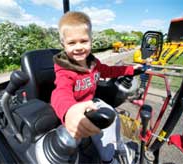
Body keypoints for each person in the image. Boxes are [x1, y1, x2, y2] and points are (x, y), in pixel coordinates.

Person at [51, 11, 142, 163]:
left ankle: (118, 146)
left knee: (113, 116)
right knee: (96, 133)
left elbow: (110, 70)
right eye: (72, 43)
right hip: (76, 108)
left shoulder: (93, 63)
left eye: (84, 41)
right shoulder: (64, 70)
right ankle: (109, 159)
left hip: (91, 102)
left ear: (91, 41)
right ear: (63, 45)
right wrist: (69, 111)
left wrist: (131, 70)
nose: (79, 47)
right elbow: (60, 92)